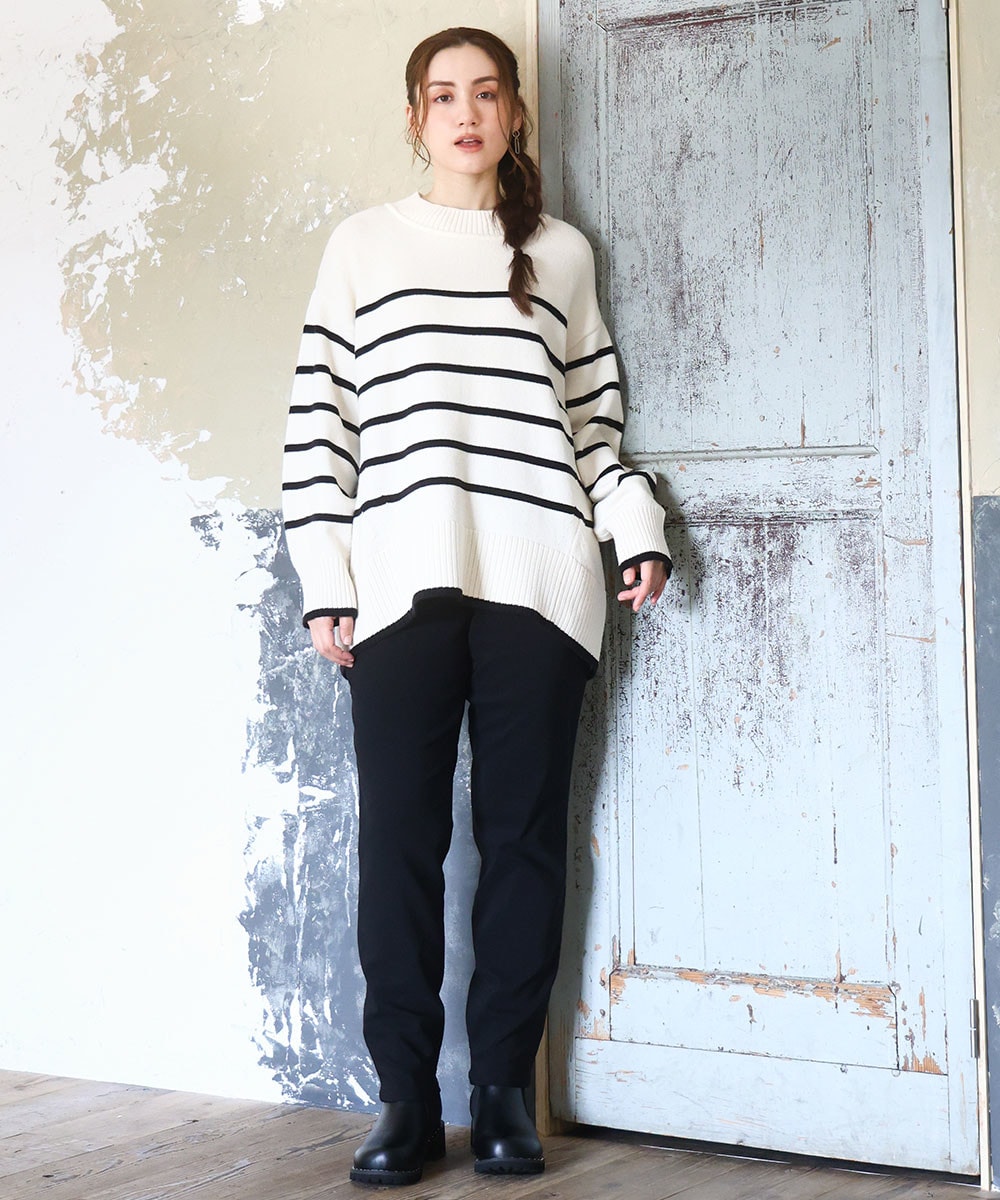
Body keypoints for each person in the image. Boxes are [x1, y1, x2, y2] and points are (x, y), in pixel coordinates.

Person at [281, 26, 671, 1187]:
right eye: (443, 95)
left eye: (486, 93)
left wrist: (635, 523)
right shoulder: (363, 246)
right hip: (400, 582)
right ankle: (405, 1101)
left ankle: (503, 1092)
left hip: (540, 581)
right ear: (416, 117)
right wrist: (325, 581)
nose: (465, 113)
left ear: (512, 116)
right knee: (398, 844)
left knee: (523, 842)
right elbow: (320, 425)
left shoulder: (559, 252)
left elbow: (593, 425)